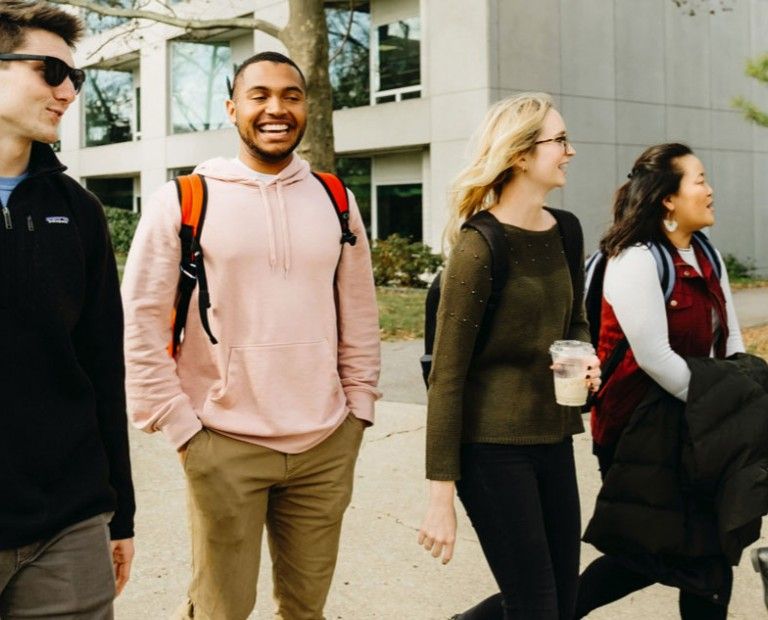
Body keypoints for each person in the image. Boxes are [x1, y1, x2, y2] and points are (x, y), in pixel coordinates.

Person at [122, 51, 380, 620]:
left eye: (291, 95)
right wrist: (181, 424)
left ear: (306, 107)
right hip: (224, 439)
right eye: (259, 95)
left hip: (325, 441)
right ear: (232, 107)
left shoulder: (336, 199)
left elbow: (359, 312)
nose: (276, 108)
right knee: (221, 611)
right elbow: (140, 322)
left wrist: (358, 407)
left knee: (306, 610)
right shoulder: (185, 199)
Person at [418, 92, 601, 620]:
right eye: (560, 140)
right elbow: (447, 378)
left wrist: (585, 357)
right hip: (491, 447)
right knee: (536, 606)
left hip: (552, 435)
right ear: (521, 155)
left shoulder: (565, 229)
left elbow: (576, 320)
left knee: (561, 601)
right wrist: (440, 496)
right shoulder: (480, 247)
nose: (570, 150)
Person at [0, 1, 135, 616]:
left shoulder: (78, 212)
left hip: (67, 525)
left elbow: (104, 367)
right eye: (51, 72)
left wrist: (120, 512)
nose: (68, 92)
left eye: (76, 78)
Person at [575, 143, 746, 619]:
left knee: (695, 556)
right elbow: (656, 359)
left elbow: (729, 337)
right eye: (699, 180)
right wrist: (722, 408)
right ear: (668, 197)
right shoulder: (635, 260)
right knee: (668, 555)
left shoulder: (706, 254)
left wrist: (742, 398)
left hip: (694, 429)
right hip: (638, 435)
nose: (710, 191)